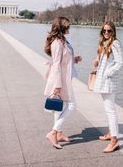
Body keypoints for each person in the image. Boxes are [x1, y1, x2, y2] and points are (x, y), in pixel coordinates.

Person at [44, 17, 82, 149]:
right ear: (61, 28)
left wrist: (74, 59)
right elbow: (56, 65)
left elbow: (64, 60)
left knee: (61, 107)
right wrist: (57, 86)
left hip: (65, 78)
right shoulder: (57, 43)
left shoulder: (63, 41)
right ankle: (53, 132)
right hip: (60, 80)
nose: (69, 28)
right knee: (72, 106)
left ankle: (58, 134)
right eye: (68, 26)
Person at [92, 21, 123, 153]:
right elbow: (106, 60)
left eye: (109, 31)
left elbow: (119, 62)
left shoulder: (115, 43)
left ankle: (114, 140)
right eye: (104, 31)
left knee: (110, 110)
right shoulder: (104, 43)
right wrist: (97, 60)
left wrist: (107, 73)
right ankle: (111, 133)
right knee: (108, 109)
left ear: (113, 32)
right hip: (103, 81)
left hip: (108, 82)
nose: (106, 33)